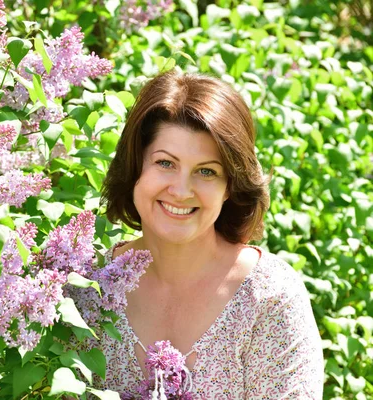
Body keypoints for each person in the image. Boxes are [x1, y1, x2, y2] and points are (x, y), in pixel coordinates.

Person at [98, 70, 324, 398]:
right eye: (165, 163)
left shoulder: (270, 300)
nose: (181, 190)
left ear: (230, 186)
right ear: (136, 168)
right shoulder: (90, 290)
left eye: (207, 171)